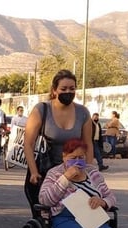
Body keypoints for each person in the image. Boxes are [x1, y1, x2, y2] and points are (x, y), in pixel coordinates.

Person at [22, 70, 94, 214]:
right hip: (45, 171)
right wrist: (34, 172)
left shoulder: (82, 112)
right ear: (54, 91)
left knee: (77, 214)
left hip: (73, 171)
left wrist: (90, 169)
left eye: (72, 89)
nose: (68, 92)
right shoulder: (42, 110)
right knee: (44, 215)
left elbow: (88, 144)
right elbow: (28, 144)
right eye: (64, 89)